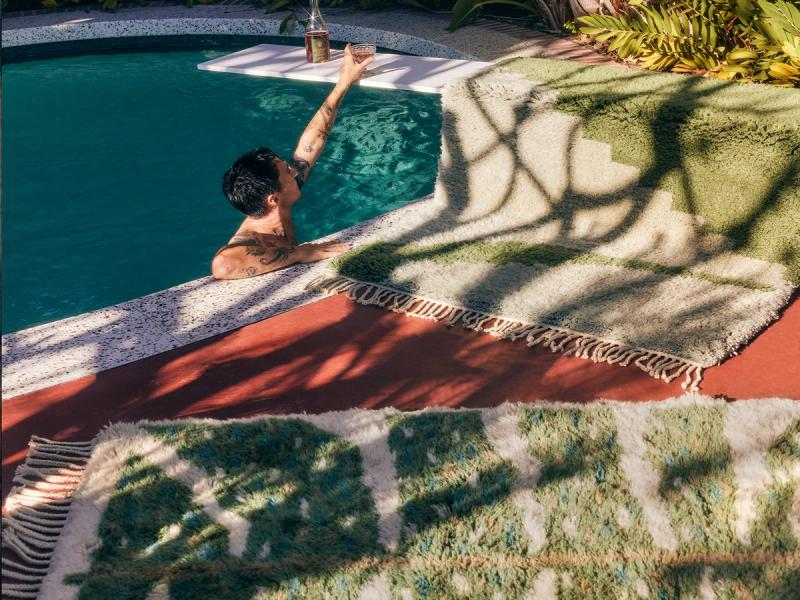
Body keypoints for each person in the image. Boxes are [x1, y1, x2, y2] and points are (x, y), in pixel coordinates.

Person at [212, 43, 374, 280]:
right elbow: (222, 266)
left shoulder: (279, 201)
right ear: (273, 198)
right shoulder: (253, 237)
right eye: (286, 171)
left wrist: (344, 81)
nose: (293, 169)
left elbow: (313, 141)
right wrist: (299, 253)